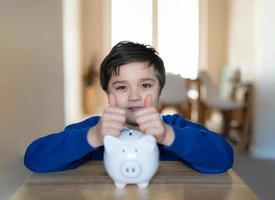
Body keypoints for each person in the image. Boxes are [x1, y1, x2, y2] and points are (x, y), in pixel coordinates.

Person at [24, 41, 233, 174]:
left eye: (145, 85)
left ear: (160, 91)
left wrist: (168, 135)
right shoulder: (95, 129)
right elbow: (34, 159)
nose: (134, 96)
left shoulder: (175, 128)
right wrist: (93, 137)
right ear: (108, 94)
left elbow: (223, 158)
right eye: (122, 87)